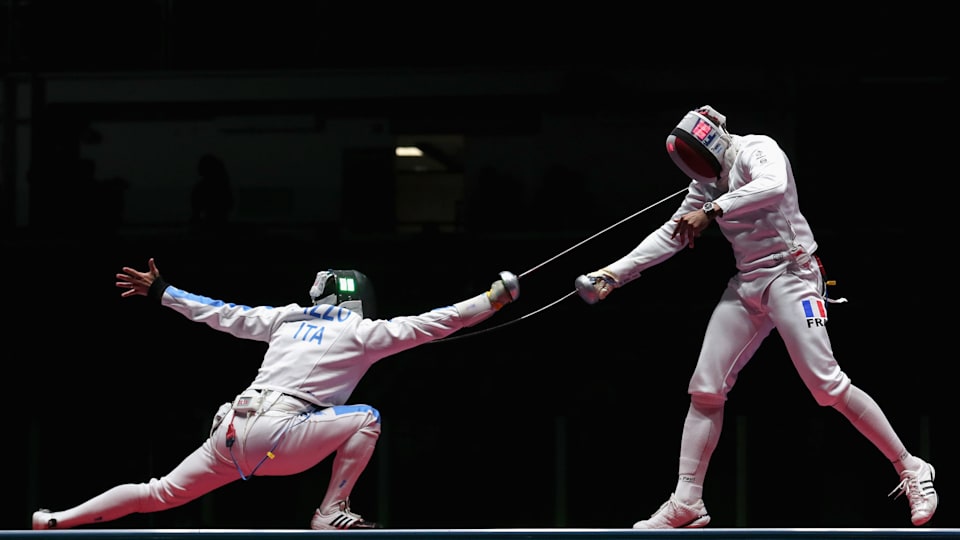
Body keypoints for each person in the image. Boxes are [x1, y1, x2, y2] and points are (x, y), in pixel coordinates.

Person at [575, 105, 937, 529]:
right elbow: (669, 235)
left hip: (793, 276)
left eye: (696, 158)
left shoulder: (757, 150)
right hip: (748, 284)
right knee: (706, 387)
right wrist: (614, 274)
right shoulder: (705, 186)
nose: (694, 170)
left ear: (710, 142)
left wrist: (711, 211)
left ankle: (911, 466)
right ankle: (687, 500)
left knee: (827, 387)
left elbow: (773, 183)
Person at [33, 258, 519, 530]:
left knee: (157, 493)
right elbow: (438, 321)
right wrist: (493, 300)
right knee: (366, 417)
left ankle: (55, 520)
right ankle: (330, 512)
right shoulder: (364, 332)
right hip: (281, 434)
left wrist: (163, 291)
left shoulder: (287, 318)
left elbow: (222, 312)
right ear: (359, 300)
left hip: (229, 430)